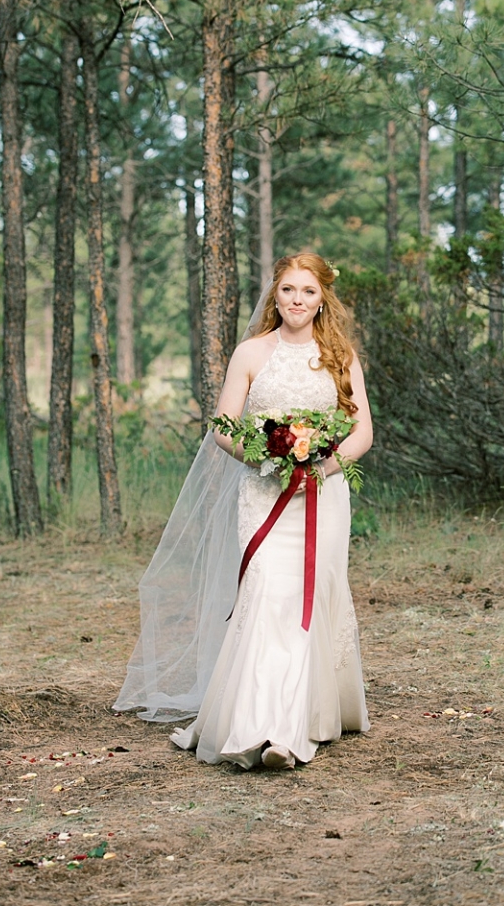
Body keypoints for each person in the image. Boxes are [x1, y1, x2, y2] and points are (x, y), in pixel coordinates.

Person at [114, 252, 372, 770]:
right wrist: (270, 456)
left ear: (323, 299)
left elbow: (362, 431)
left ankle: (294, 728)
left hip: (322, 496)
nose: (297, 301)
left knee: (308, 597)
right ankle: (262, 727)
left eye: (308, 292)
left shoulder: (340, 355)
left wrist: (320, 467)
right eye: (288, 291)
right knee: (268, 597)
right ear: (274, 295)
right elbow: (222, 426)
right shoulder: (251, 353)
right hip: (264, 492)